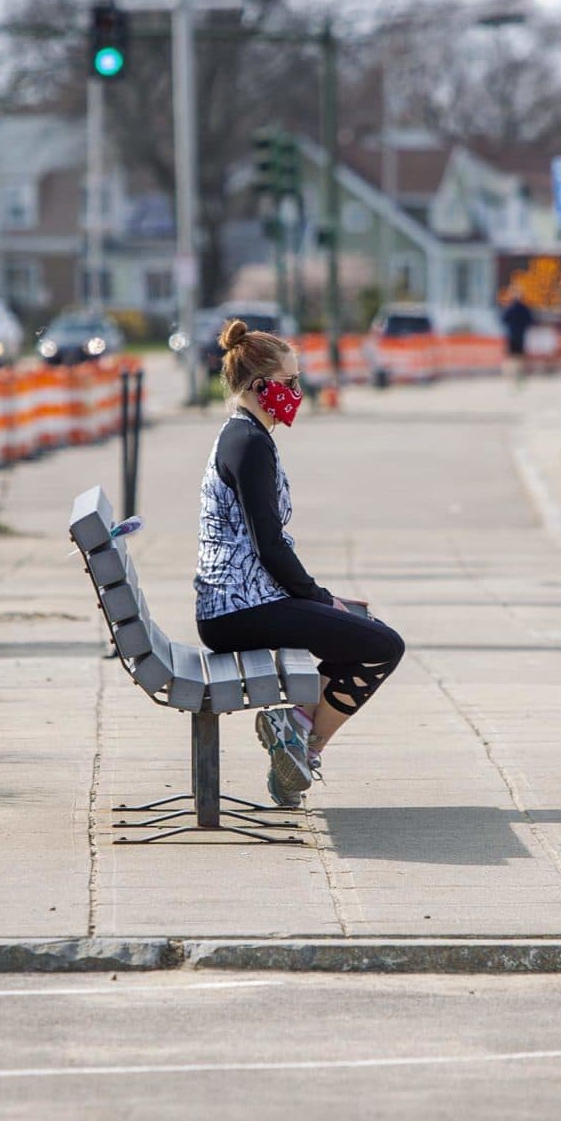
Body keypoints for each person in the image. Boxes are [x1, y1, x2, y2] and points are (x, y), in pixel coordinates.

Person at [194, 318, 406, 807]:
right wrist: (319, 598)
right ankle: (301, 742)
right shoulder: (248, 444)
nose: (297, 391)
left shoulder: (246, 435)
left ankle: (296, 737)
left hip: (239, 603)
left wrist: (323, 600)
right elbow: (269, 545)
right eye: (290, 382)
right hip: (238, 610)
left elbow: (267, 547)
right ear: (259, 385)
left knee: (358, 628)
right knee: (382, 646)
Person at [500, 287, 535, 385]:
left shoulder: (510, 307)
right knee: (518, 357)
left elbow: (503, 319)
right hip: (519, 336)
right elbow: (530, 321)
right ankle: (518, 376)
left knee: (512, 357)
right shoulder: (523, 308)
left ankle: (513, 376)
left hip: (513, 335)